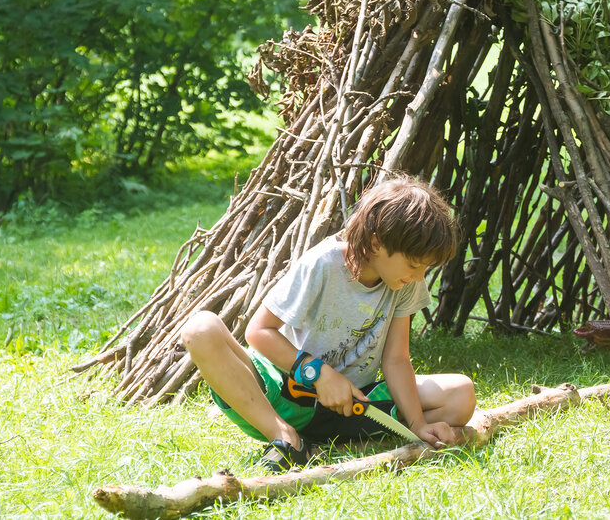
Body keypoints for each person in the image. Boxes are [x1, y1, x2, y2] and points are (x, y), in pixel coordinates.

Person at [181, 176, 477, 471]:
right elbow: (258, 332)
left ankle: (319, 443)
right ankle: (285, 438)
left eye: (425, 268)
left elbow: (396, 359)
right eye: (415, 265)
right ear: (377, 243)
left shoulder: (403, 282)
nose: (419, 277)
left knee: (461, 393)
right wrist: (318, 374)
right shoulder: (322, 264)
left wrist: (418, 424)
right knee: (200, 329)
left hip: (356, 404)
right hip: (287, 396)